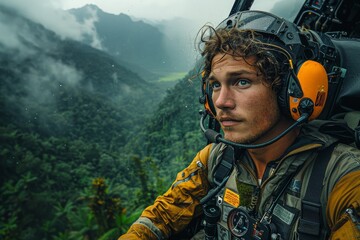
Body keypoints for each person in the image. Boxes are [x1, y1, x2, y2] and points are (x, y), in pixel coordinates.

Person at [119, 10, 360, 240]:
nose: (221, 102)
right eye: (215, 85)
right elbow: (161, 216)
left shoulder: (343, 178)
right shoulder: (216, 158)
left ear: (289, 92)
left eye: (242, 81)